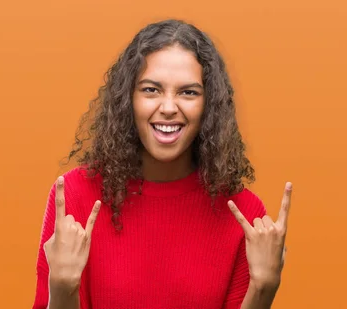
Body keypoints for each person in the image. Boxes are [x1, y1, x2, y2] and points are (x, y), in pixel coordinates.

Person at [31, 19, 293, 309]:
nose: (168, 108)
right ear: (127, 99)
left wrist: (264, 288)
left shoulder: (245, 215)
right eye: (151, 90)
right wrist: (62, 286)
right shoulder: (75, 196)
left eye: (188, 92)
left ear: (210, 105)